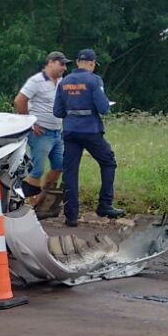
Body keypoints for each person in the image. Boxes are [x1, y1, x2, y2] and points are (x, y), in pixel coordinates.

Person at [52, 48, 125, 227]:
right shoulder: (94, 80)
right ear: (92, 64)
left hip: (70, 131)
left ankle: (71, 216)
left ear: (77, 62)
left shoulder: (64, 82)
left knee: (70, 172)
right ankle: (105, 205)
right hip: (91, 130)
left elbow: (58, 111)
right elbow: (103, 108)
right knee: (108, 161)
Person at [14, 51, 67, 204]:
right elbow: (19, 100)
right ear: (50, 62)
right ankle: (24, 202)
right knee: (37, 170)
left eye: (65, 65)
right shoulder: (36, 81)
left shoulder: (62, 82)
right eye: (61, 64)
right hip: (41, 132)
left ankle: (44, 198)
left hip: (57, 132)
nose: (64, 68)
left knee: (59, 165)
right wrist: (30, 123)